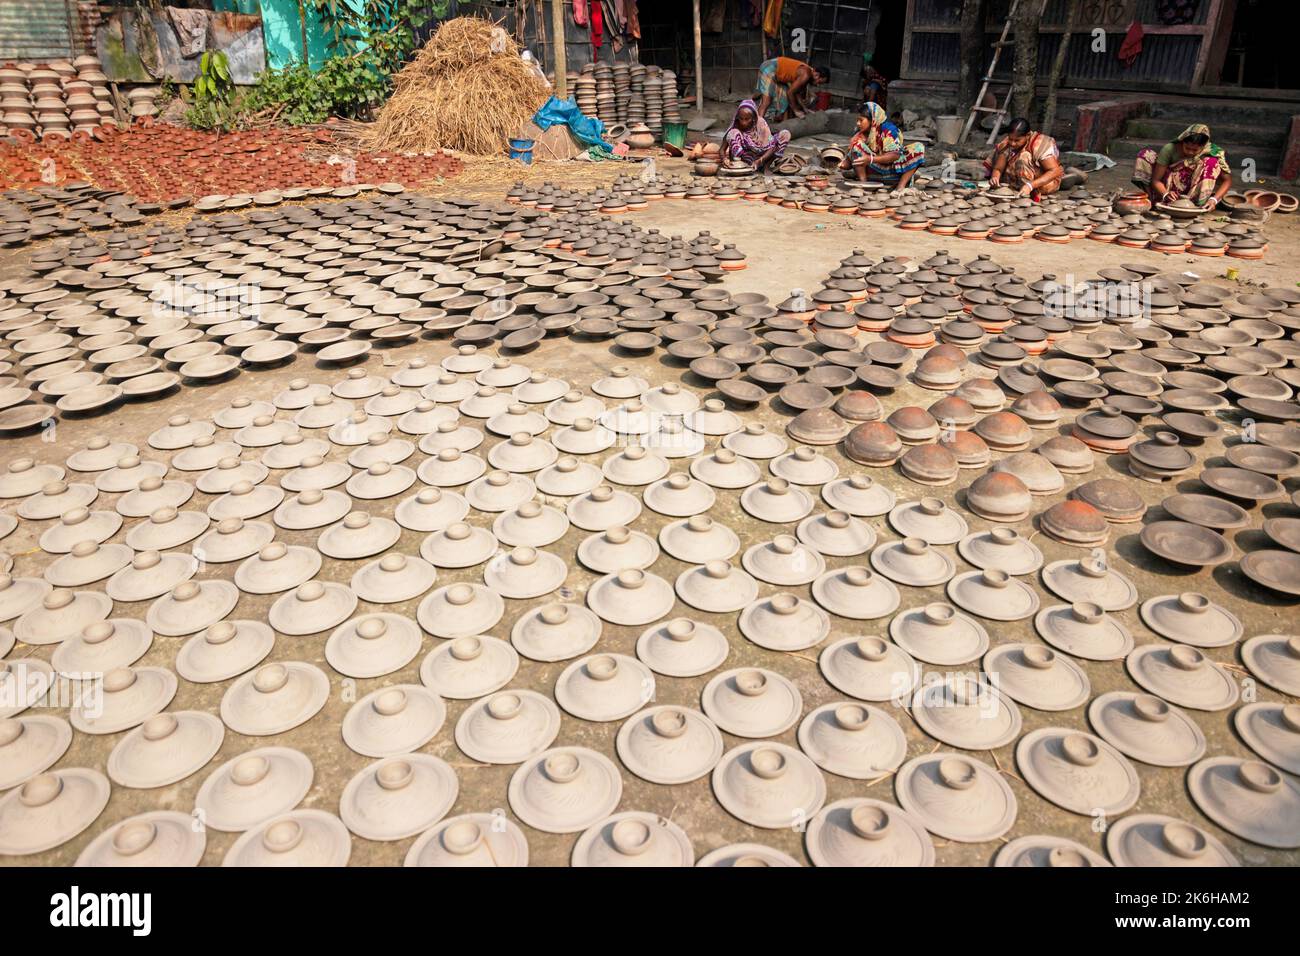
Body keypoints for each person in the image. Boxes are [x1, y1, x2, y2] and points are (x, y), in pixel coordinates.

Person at [1132, 123, 1231, 210]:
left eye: (1195, 150)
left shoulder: (1212, 152)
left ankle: (1198, 205)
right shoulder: (1170, 149)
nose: (1190, 152)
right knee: (1145, 155)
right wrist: (1165, 194)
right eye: (1187, 148)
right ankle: (1152, 201)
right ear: (1182, 141)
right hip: (1169, 189)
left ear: (1203, 146)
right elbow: (1156, 180)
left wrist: (1214, 200)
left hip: (1193, 190)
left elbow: (1227, 180)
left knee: (1211, 162)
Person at [840, 101, 924, 190]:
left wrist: (870, 159)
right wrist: (841, 162)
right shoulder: (860, 134)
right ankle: (864, 184)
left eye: (861, 120)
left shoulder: (888, 129)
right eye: (857, 120)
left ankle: (900, 188)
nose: (858, 123)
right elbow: (848, 164)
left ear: (872, 119)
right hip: (873, 173)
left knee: (918, 147)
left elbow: (895, 155)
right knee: (856, 145)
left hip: (892, 172)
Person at [985, 118, 1065, 199]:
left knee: (1024, 157)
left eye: (1017, 140)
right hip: (1016, 182)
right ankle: (1019, 189)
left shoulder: (1039, 144)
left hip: (1044, 182)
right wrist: (995, 177)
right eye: (1010, 139)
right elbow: (998, 168)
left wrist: (1030, 186)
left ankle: (1029, 192)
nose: (1012, 143)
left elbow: (1055, 171)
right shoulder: (1007, 143)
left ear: (1027, 135)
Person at [722, 99, 790, 171]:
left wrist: (760, 161)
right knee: (732, 133)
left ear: (754, 118)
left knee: (785, 134)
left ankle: (767, 166)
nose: (743, 122)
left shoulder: (761, 124)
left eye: (747, 119)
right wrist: (724, 159)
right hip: (745, 159)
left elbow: (772, 146)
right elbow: (722, 149)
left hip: (763, 158)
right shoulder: (735, 125)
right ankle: (739, 166)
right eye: (741, 118)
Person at [754, 56, 828, 121]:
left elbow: (796, 92)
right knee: (766, 102)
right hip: (770, 68)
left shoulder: (807, 74)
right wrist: (796, 111)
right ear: (816, 75)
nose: (818, 85)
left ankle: (784, 127)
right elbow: (790, 92)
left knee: (785, 100)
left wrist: (805, 108)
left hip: (778, 75)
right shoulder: (806, 74)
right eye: (819, 82)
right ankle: (757, 129)